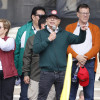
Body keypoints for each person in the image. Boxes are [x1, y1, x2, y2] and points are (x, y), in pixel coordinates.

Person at [33, 9, 87, 100]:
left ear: (59, 21)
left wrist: (82, 31)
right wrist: (48, 40)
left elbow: (79, 40)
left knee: (61, 97)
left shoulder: (65, 34)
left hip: (62, 72)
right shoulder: (40, 34)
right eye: (50, 18)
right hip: (46, 72)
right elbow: (36, 49)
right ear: (46, 20)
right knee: (42, 97)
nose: (52, 20)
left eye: (55, 18)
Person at [65, 4, 100, 100]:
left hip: (89, 64)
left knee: (89, 95)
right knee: (70, 94)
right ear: (77, 14)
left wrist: (84, 58)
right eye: (83, 13)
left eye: (87, 13)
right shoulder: (69, 28)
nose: (85, 15)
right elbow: (66, 46)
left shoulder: (95, 28)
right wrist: (77, 57)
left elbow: (97, 47)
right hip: (72, 63)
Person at [14, 6, 46, 100]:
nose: (42, 18)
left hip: (43, 71)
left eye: (44, 16)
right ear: (33, 16)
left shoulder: (48, 31)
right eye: (39, 15)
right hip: (26, 71)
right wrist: (17, 70)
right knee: (25, 96)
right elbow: (17, 51)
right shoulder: (23, 30)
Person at [22, 15, 55, 100]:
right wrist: (26, 74)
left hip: (51, 78)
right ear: (42, 25)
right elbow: (27, 57)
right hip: (35, 77)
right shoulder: (32, 39)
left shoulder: (55, 39)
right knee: (33, 98)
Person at [0, 19, 18, 100]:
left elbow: (4, 47)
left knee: (6, 97)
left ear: (6, 29)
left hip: (7, 73)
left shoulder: (10, 40)